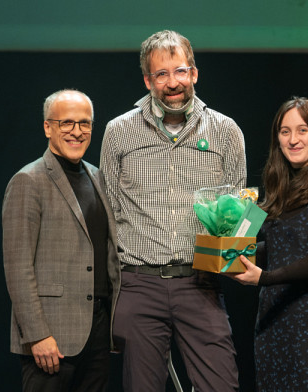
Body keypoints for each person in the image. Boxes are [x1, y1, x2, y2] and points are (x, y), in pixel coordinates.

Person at [100, 30, 245, 391]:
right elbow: (108, 210)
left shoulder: (226, 131)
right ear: (148, 81)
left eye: (179, 71)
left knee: (221, 385)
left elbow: (235, 213)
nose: (172, 83)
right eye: (161, 74)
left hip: (201, 283)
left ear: (194, 73)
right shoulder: (118, 132)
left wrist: (229, 261)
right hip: (138, 284)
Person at [231, 97, 308, 391]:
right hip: (274, 320)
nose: (293, 139)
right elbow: (279, 247)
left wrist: (264, 278)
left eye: (303, 130)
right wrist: (233, 255)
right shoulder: (280, 188)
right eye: (285, 131)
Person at [2, 89, 121, 392]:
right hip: (50, 338)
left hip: (97, 332)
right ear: (48, 127)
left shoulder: (98, 177)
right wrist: (37, 335)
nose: (77, 131)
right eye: (67, 123)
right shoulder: (28, 180)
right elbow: (18, 267)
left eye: (85, 123)